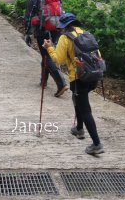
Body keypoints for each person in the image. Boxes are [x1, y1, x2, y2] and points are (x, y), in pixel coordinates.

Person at [42, 13, 104, 155]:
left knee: (85, 109)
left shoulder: (65, 38)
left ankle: (96, 144)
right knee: (77, 99)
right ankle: (79, 129)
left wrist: (49, 48)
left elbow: (58, 60)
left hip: (78, 78)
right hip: (93, 76)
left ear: (63, 27)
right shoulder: (86, 33)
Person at [24, 0, 68, 97]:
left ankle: (61, 84)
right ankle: (43, 82)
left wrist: (27, 33)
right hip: (56, 29)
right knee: (46, 54)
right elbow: (61, 13)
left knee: (46, 57)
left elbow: (28, 17)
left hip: (42, 30)